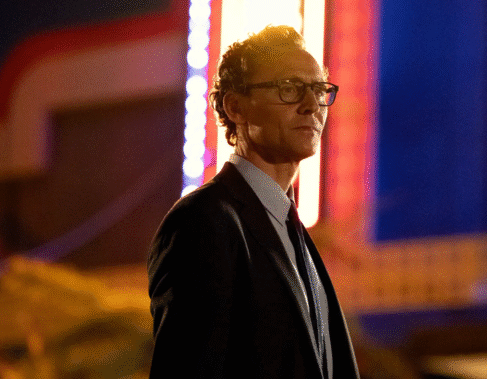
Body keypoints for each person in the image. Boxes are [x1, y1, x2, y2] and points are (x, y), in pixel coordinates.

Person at [147, 25, 360, 378]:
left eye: (319, 90)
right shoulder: (203, 220)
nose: (311, 106)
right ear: (235, 107)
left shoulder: (295, 235)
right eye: (289, 89)